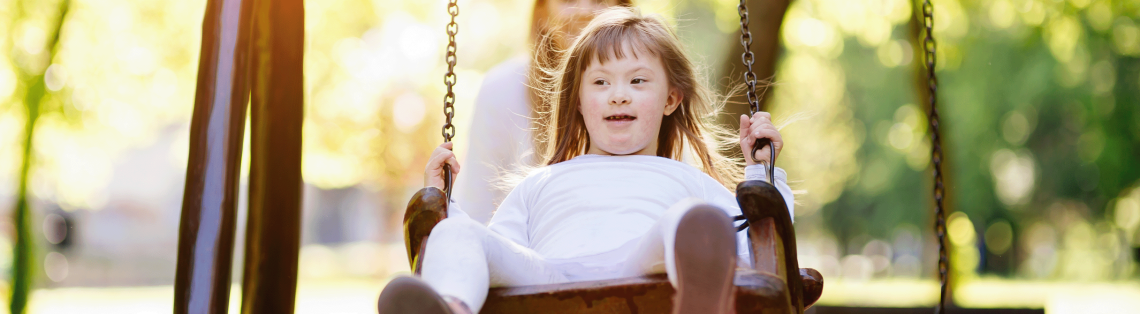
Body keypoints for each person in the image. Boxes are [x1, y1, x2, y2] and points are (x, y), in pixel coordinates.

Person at [379, 8, 794, 314]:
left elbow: (761, 241)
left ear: (670, 99)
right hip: (547, 273)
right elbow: (496, 251)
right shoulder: (541, 182)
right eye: (600, 83)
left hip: (642, 267)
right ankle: (450, 308)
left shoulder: (688, 179)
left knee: (694, 220)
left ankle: (700, 304)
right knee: (458, 234)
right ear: (578, 102)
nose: (619, 94)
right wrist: (445, 204)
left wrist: (761, 170)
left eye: (637, 81)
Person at [454, 0, 629, 224]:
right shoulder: (502, 90)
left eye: (600, 0)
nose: (585, 10)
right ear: (543, 14)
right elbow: (475, 209)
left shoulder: (646, 89)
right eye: (568, 0)